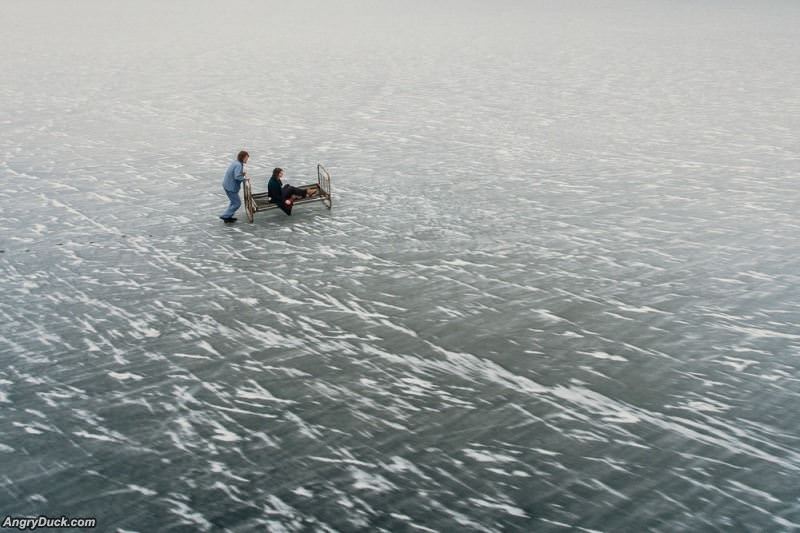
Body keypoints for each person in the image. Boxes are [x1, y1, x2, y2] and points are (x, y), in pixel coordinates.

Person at [219, 150, 250, 223]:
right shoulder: (238, 165)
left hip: (227, 185)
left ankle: (228, 217)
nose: (247, 159)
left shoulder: (236, 162)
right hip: (230, 187)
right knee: (237, 203)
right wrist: (245, 179)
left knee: (233, 202)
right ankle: (225, 216)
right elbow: (237, 177)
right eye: (246, 158)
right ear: (242, 157)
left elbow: (235, 173)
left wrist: (241, 174)